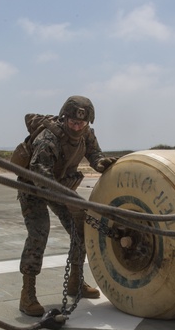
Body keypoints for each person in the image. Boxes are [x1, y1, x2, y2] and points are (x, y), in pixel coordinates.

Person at [17, 96, 115, 317]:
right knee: (38, 234)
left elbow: (94, 154)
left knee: (80, 229)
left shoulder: (86, 134)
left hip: (59, 188)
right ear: (64, 117)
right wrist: (67, 195)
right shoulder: (48, 137)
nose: (77, 126)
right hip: (33, 188)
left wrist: (101, 163)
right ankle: (27, 294)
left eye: (82, 123)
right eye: (72, 122)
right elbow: (39, 174)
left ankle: (75, 282)